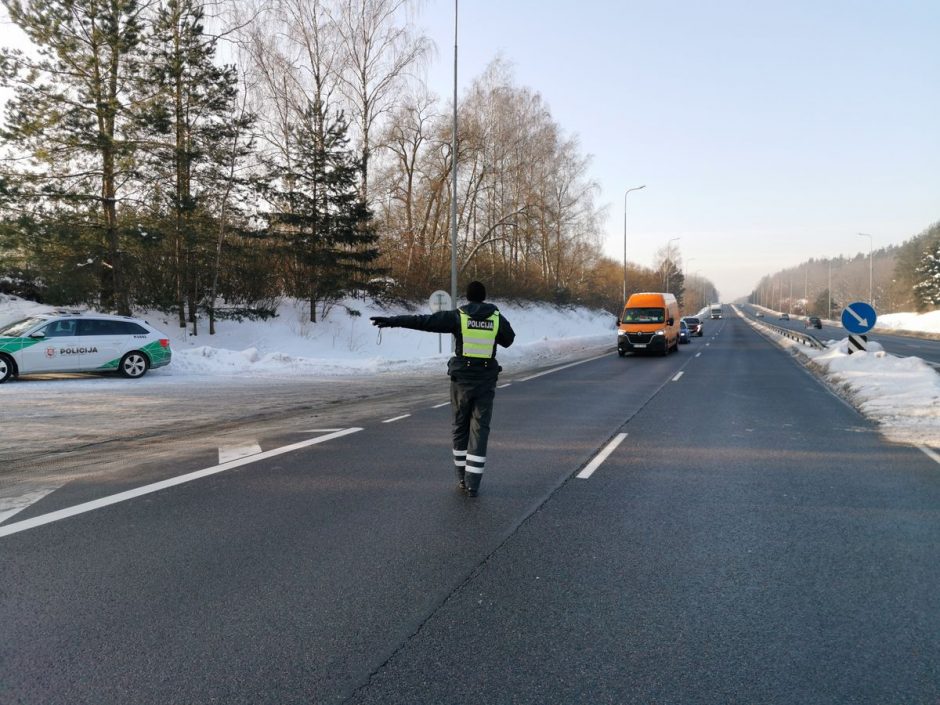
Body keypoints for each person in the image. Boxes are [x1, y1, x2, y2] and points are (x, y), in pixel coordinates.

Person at [370, 281, 515, 497]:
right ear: (484, 297)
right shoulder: (496, 319)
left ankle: (461, 478)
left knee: (460, 427)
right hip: (485, 381)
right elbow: (509, 340)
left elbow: (424, 321)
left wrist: (393, 321)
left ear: (467, 297)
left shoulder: (458, 316)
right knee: (480, 430)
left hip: (461, 382)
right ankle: (474, 484)